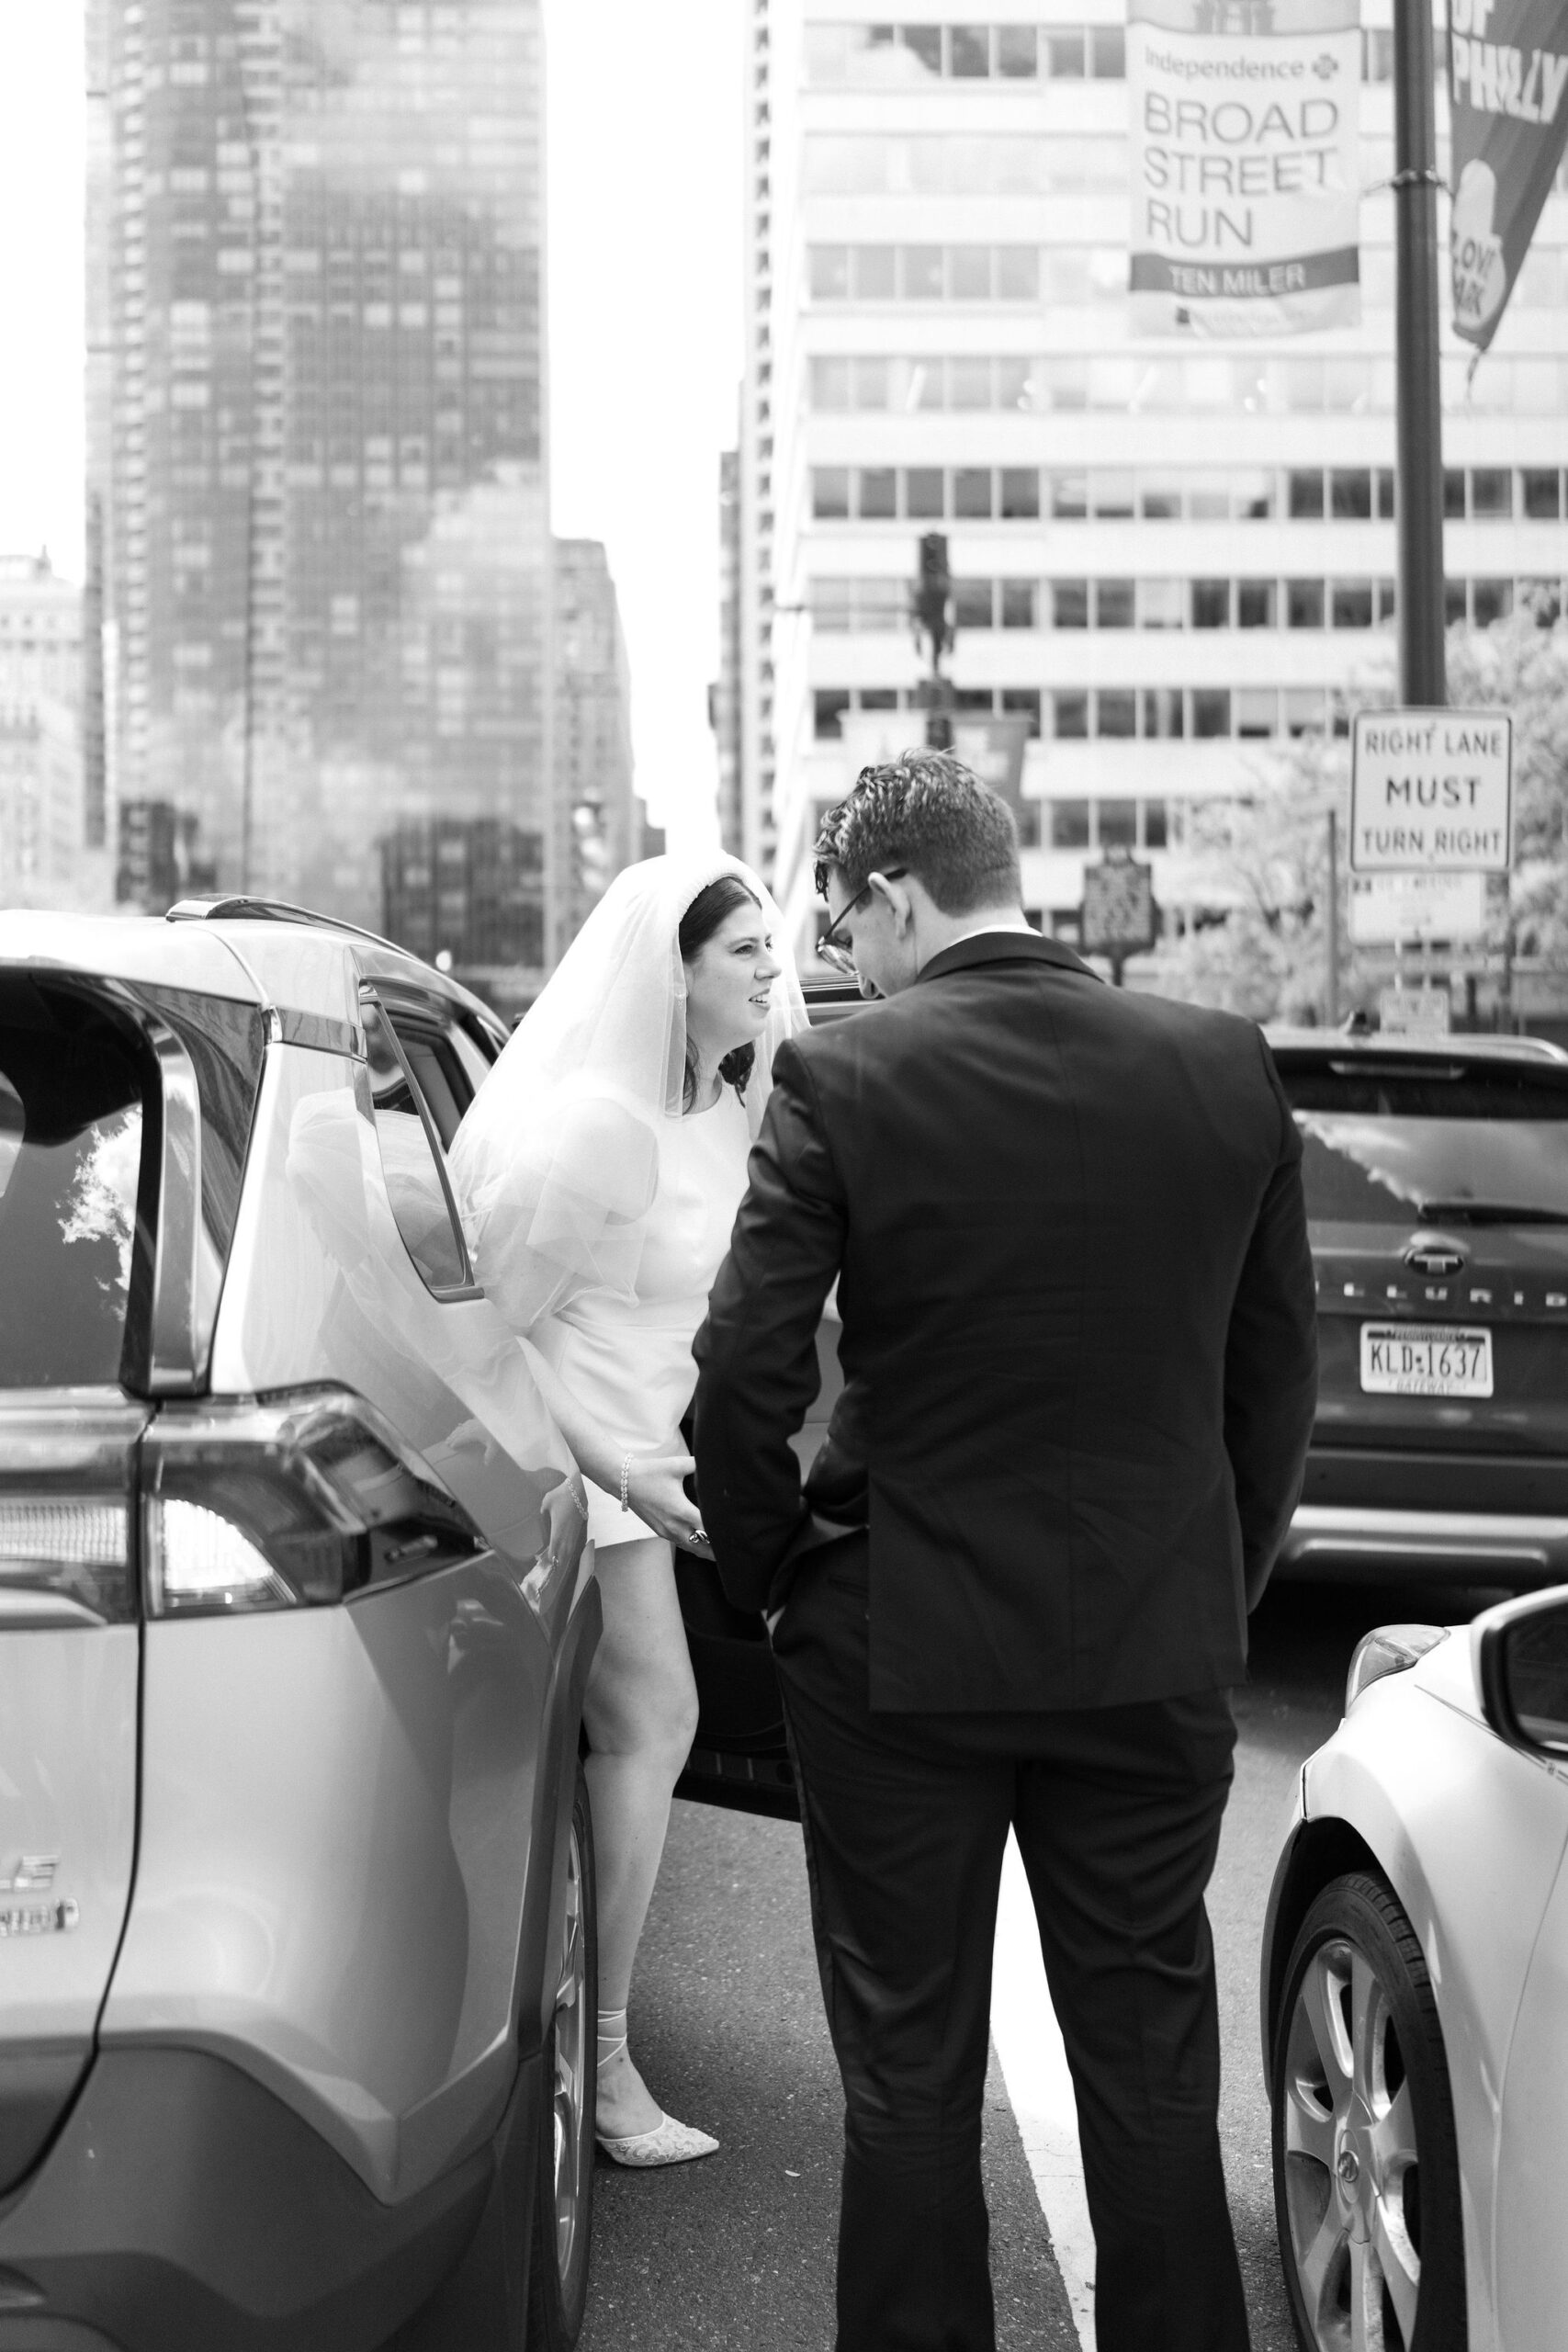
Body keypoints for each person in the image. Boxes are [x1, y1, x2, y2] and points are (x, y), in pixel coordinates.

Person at [691, 753, 1317, 2349]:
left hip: (898, 1639)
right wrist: (1210, 1587)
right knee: (1157, 2072)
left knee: (908, 2076)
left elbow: (745, 1377)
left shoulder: (845, 1079)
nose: (842, 953)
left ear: (897, 895)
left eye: (843, 919)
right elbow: (1273, 1391)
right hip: (1147, 1641)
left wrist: (774, 1581)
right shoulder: (1224, 1066)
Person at [450, 853, 806, 2165]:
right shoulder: (597, 1125)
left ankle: (589, 2045)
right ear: (676, 973)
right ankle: (597, 2066)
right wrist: (615, 1470)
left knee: (650, 1733)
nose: (774, 974)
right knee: (654, 1722)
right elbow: (490, 1335)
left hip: (656, 1469)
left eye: (774, 951)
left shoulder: (720, 1109)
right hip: (583, 1471)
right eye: (746, 956)